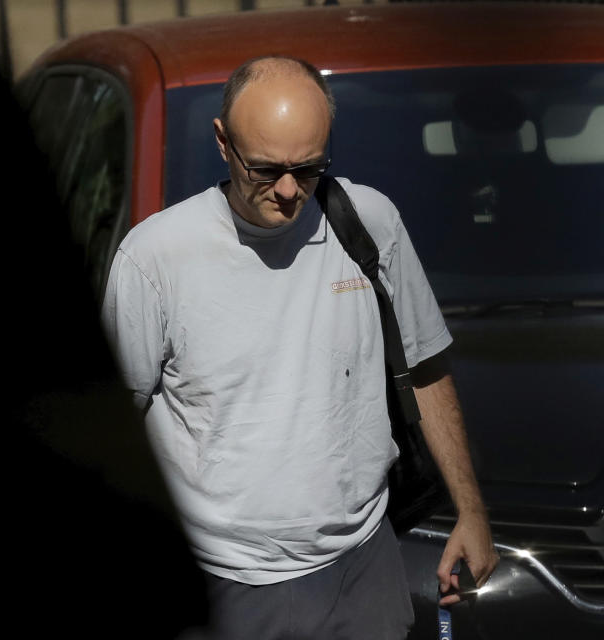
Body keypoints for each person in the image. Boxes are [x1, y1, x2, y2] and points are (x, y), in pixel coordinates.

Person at [102, 55, 497, 639]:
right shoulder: (156, 259)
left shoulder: (369, 224)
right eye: (265, 169)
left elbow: (426, 368)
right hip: (227, 583)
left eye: (309, 168)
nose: (289, 191)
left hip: (364, 567)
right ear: (222, 142)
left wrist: (471, 509)